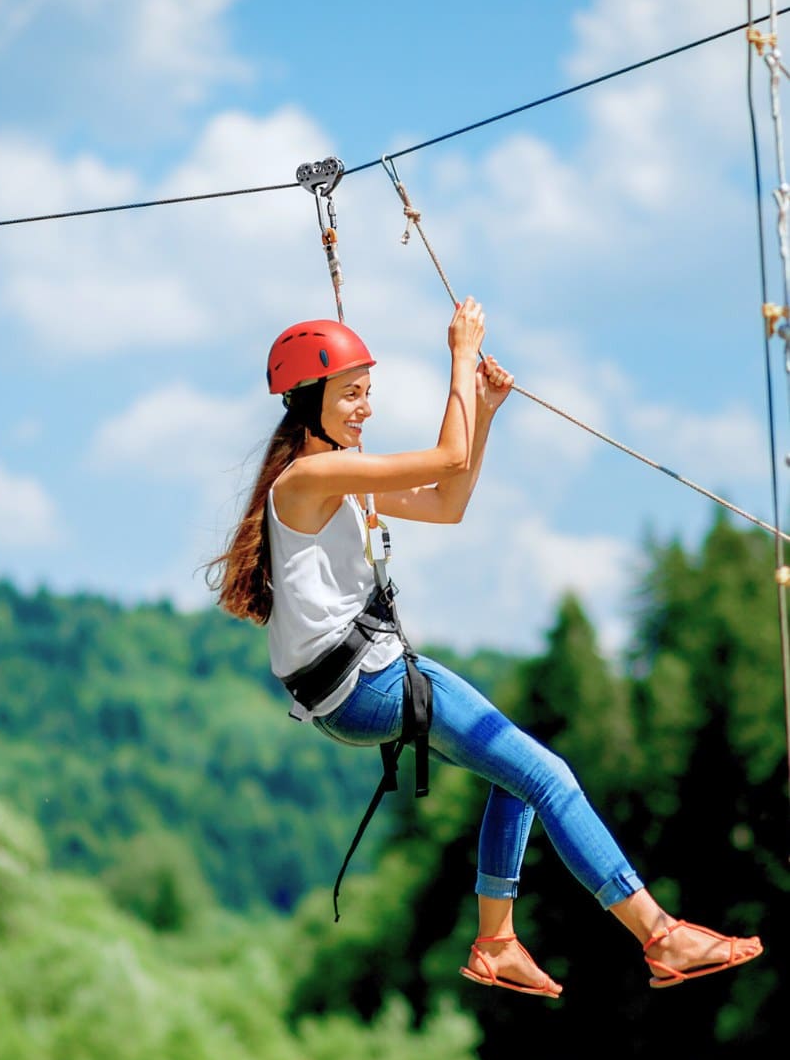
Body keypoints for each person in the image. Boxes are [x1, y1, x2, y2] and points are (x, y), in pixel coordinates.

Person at [208, 301, 763, 997]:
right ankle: (660, 935)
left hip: (354, 690)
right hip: (369, 683)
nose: (364, 409)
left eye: (367, 392)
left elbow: (449, 499)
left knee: (518, 774)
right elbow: (448, 456)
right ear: (307, 399)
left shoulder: (341, 482)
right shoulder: (311, 481)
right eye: (351, 393)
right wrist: (461, 355)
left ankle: (497, 941)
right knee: (550, 774)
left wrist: (486, 408)